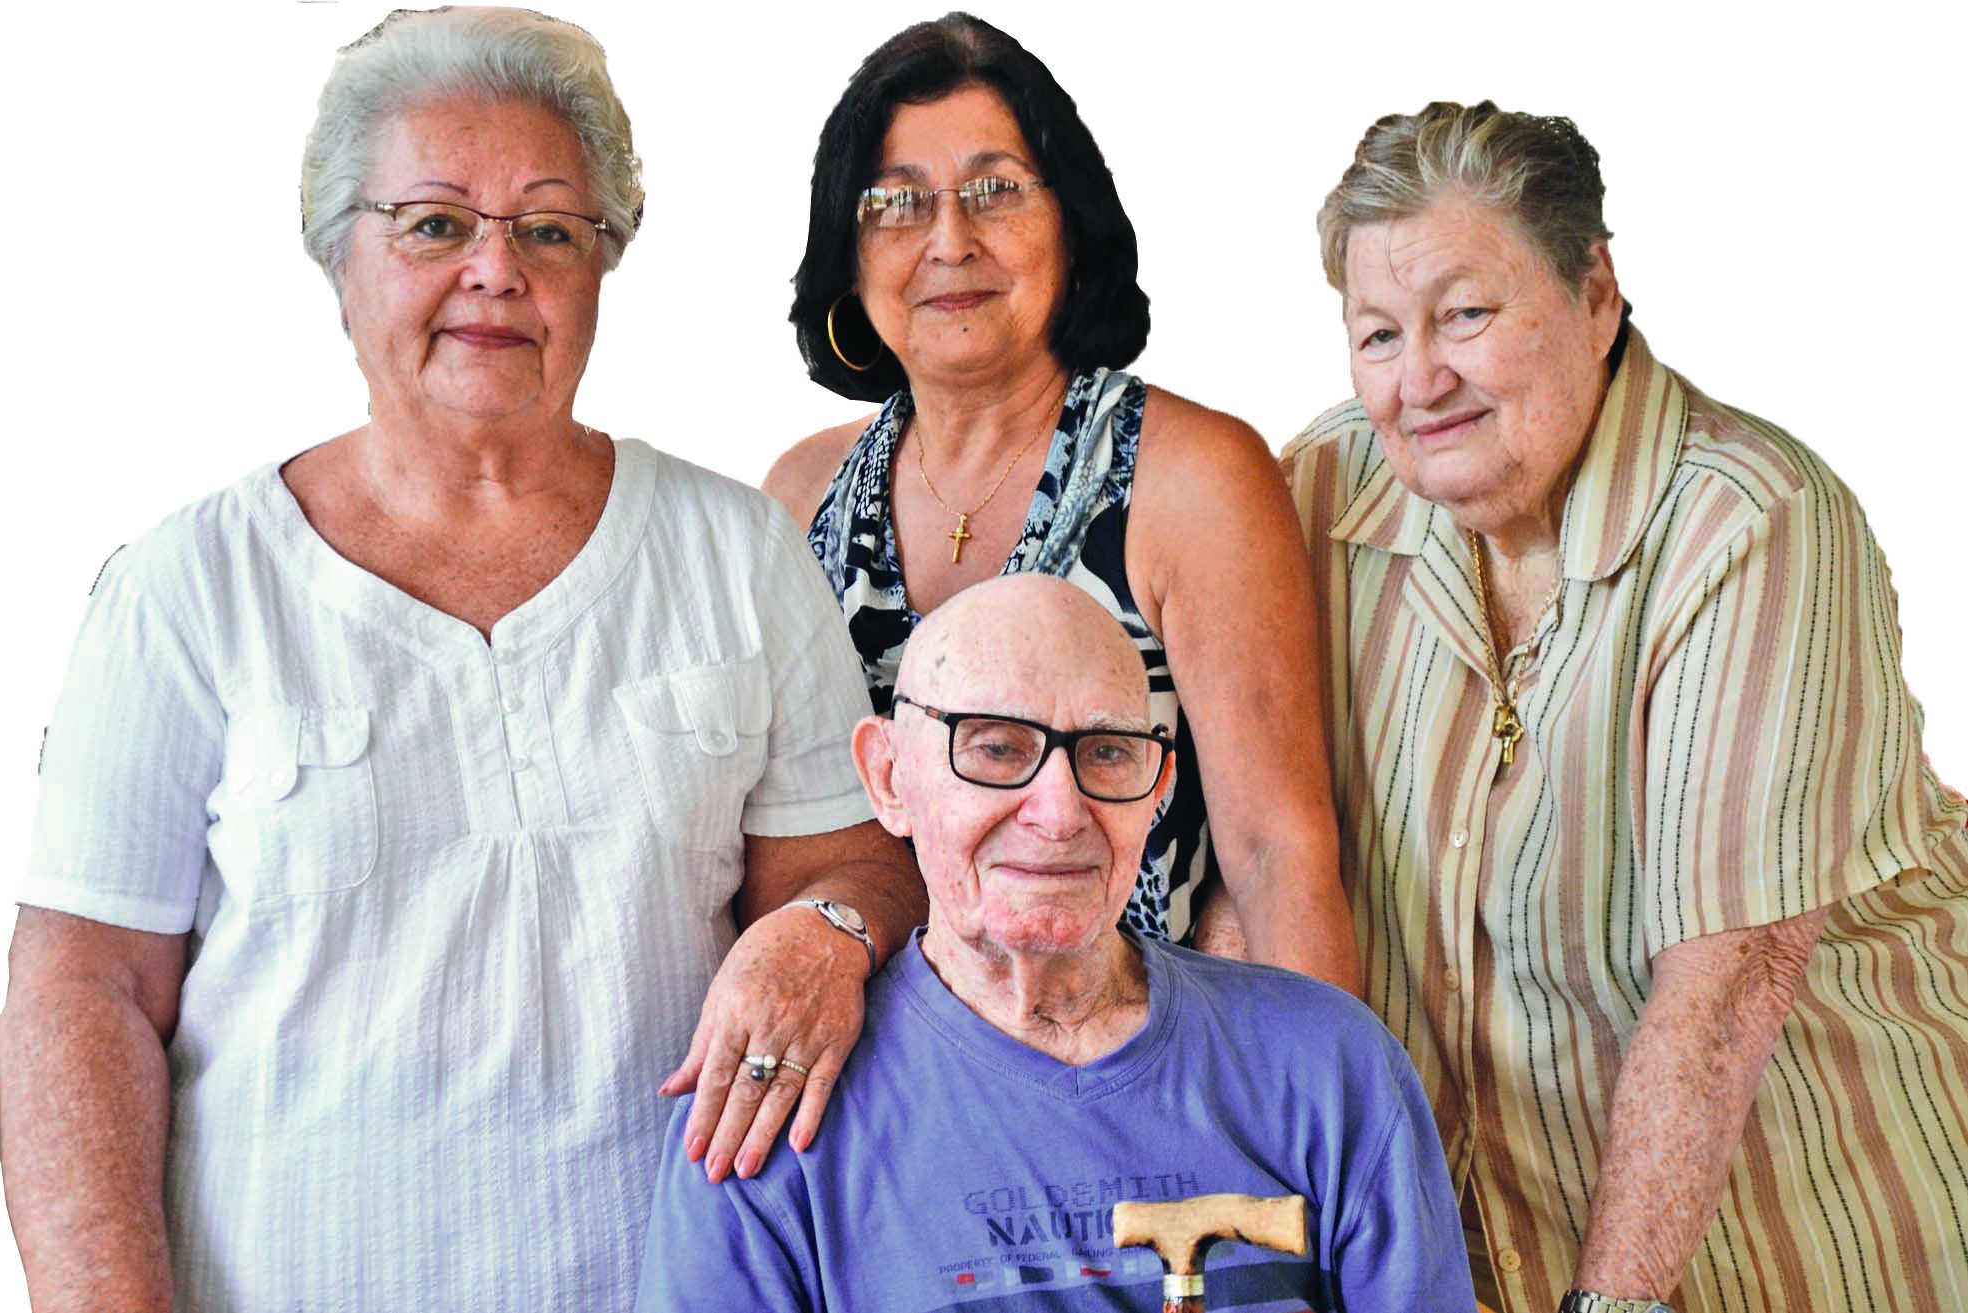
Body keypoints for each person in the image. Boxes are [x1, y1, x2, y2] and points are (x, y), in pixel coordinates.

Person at [0, 10, 922, 1311]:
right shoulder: (191, 586)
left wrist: (829, 926)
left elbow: (849, 866)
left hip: (673, 1283)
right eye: (434, 222)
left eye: (549, 228)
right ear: (340, 258)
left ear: (603, 264)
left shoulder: (738, 554)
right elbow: (81, 996)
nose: (497, 270)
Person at [1284, 99, 1968, 1313]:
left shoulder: (1749, 522)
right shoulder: (1323, 489)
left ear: (1594, 292)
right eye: (1377, 333)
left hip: (1813, 1235)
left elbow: (1730, 971)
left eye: (1466, 315)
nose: (1419, 378)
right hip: (1497, 1253)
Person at [634, 575, 1472, 1311]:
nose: (1060, 810)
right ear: (888, 776)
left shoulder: (1327, 1064)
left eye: (1106, 753)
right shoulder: (771, 1112)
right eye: (996, 747)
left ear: (1158, 789)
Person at [763, 13, 1359, 989]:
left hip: (1130, 1076)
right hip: (871, 1088)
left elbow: (1276, 856)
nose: (948, 241)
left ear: (1070, 226)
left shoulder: (1194, 475)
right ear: (848, 250)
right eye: (897, 202)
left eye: (994, 191)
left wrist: (1322, 1126)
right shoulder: (798, 494)